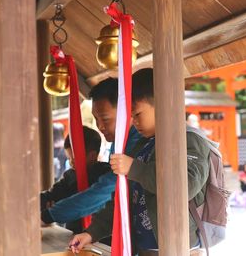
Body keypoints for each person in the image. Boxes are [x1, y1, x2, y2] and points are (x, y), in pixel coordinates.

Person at [70, 68, 212, 255]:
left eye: (137, 114)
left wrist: (134, 169)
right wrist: (91, 233)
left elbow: (184, 186)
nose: (134, 121)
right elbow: (122, 200)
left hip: (178, 249)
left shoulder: (189, 139)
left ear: (161, 104)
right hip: (145, 248)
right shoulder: (142, 146)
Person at [41, 78, 142, 230]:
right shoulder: (119, 141)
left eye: (105, 119)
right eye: (96, 119)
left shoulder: (138, 143)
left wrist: (49, 215)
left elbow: (106, 190)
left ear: (128, 111)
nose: (99, 126)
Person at [40, 126, 111, 233]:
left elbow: (89, 199)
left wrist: (49, 215)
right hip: (73, 233)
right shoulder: (70, 176)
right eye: (68, 158)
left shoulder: (105, 174)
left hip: (101, 237)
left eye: (74, 158)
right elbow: (52, 195)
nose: (71, 163)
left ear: (92, 155)